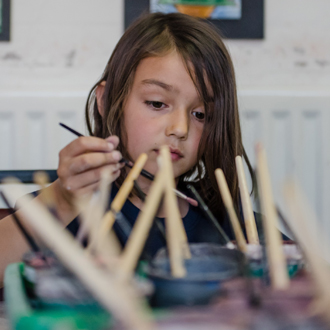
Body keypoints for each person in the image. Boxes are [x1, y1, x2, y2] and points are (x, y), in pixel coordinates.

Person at [0, 12, 254, 286]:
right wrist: (62, 200)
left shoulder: (222, 218)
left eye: (201, 114)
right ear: (108, 101)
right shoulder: (70, 206)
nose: (180, 128)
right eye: (157, 104)